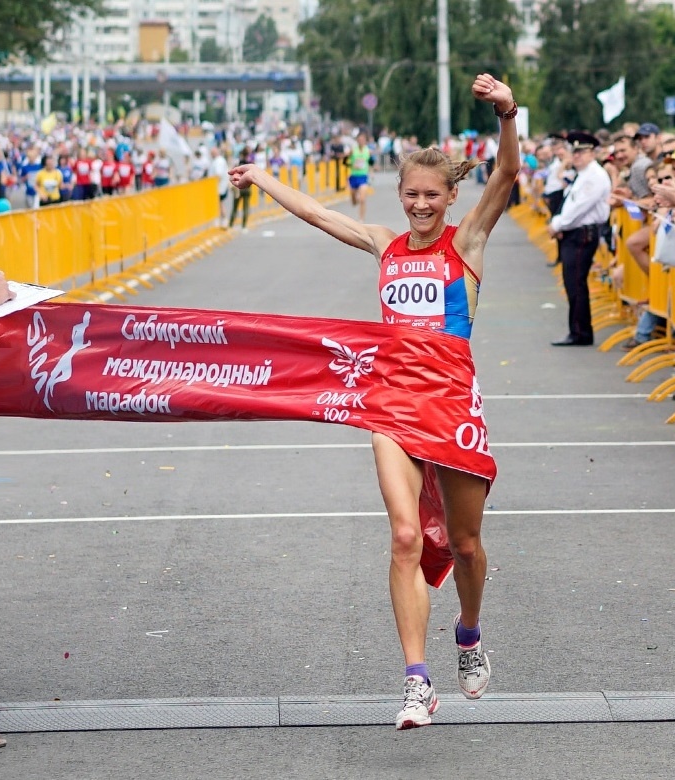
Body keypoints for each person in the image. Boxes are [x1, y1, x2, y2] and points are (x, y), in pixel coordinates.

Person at [228, 73, 520, 730]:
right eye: (410, 195)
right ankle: (417, 682)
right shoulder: (383, 245)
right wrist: (263, 178)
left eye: (431, 196)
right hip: (390, 403)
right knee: (403, 535)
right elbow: (318, 214)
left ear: (450, 198)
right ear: (400, 195)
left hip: (452, 407)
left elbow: (505, 174)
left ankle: (468, 634)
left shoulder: (465, 243)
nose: (420, 206)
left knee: (468, 545)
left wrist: (507, 112)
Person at [547, 131, 612, 346]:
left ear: (593, 153)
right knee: (573, 283)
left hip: (582, 234)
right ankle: (578, 330)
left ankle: (580, 332)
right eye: (574, 152)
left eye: (582, 152)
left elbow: (579, 208)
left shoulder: (594, 175)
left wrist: (557, 224)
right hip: (577, 233)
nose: (577, 156)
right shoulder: (584, 174)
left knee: (575, 284)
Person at [348, 131, 374, 222]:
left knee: (363, 199)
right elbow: (345, 162)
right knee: (354, 201)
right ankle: (355, 198)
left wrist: (372, 173)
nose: (361, 141)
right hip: (353, 176)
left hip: (363, 176)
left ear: (365, 141)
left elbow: (371, 163)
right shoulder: (352, 150)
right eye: (359, 140)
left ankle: (361, 219)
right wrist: (351, 165)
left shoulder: (368, 151)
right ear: (357, 140)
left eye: (363, 140)